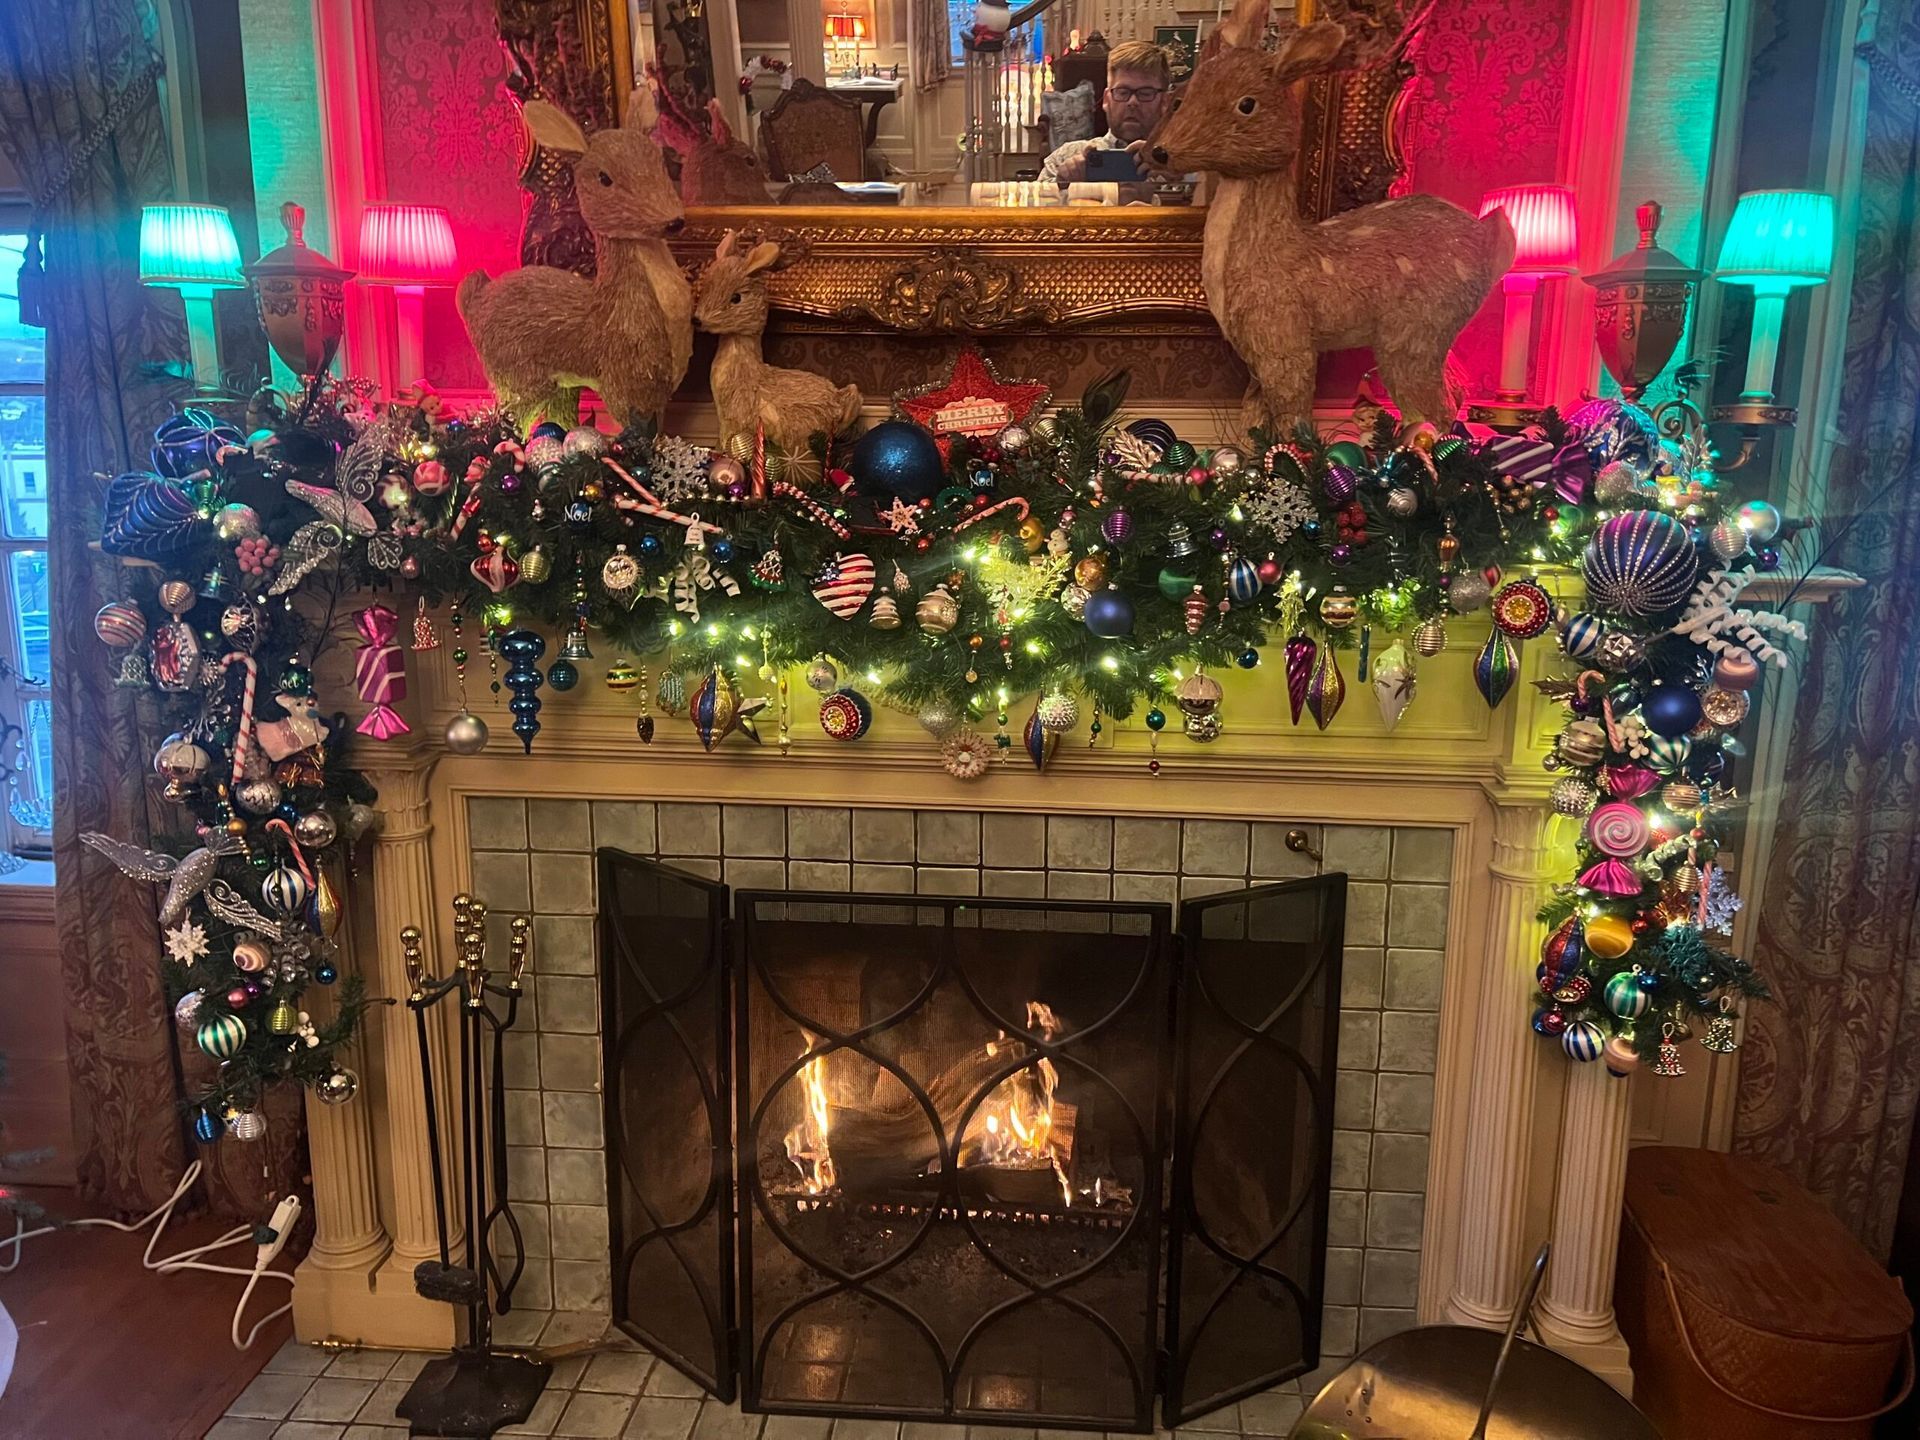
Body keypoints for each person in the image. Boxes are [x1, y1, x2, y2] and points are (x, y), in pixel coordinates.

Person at [1039, 40, 1174, 192]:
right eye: (1122, 92)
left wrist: (1177, 181)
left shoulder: (1179, 166)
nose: (1133, 102)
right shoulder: (1065, 158)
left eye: (1145, 93)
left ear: (1165, 102)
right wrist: (1065, 188)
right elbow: (1035, 205)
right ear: (1106, 100)